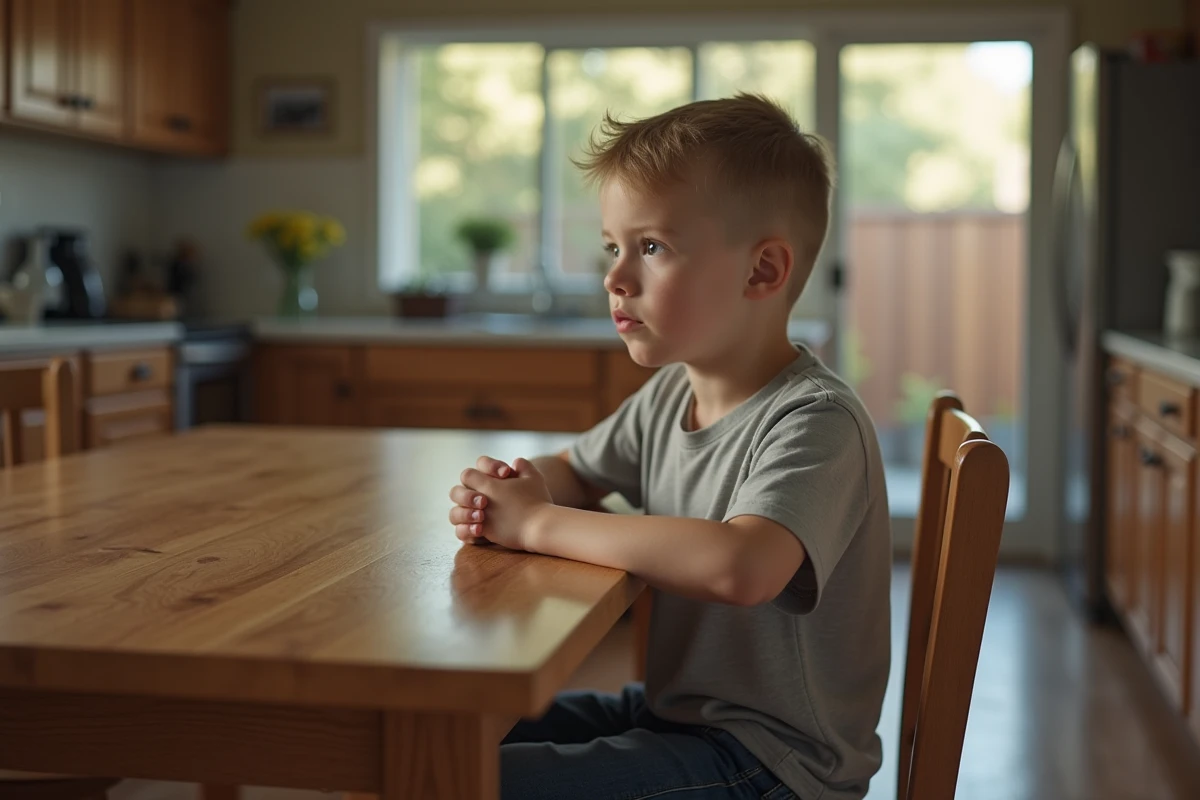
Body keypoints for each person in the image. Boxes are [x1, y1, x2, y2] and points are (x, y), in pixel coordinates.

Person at [447, 93, 891, 800]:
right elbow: (579, 470)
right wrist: (512, 488)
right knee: (438, 736)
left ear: (762, 272)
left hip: (776, 763)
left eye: (651, 247)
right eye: (612, 247)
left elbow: (743, 566)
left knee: (463, 784)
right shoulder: (669, 395)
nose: (615, 278)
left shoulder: (815, 420)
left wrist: (536, 524)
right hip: (679, 712)